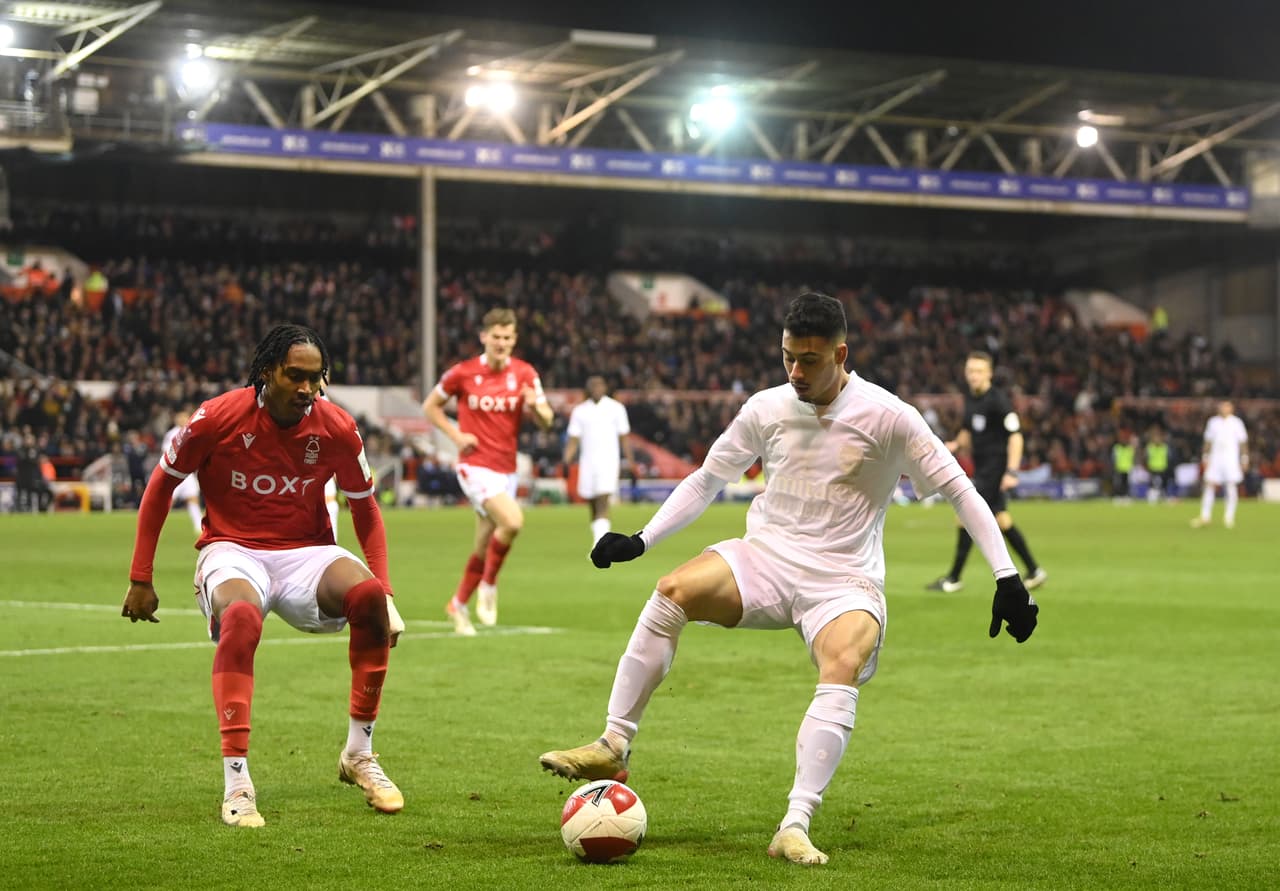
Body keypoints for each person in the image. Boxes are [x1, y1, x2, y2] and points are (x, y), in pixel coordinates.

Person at [538, 293, 1039, 866]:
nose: (795, 372)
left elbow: (960, 490)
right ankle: (613, 743)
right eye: (787, 358)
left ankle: (794, 824)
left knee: (843, 660)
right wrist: (642, 539)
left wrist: (1006, 577)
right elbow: (708, 478)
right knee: (672, 591)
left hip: (843, 579)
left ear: (840, 354)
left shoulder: (889, 416)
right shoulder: (766, 408)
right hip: (766, 559)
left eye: (808, 360)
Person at [121, 324, 406, 828]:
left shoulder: (337, 427)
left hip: (306, 552)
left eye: (314, 379)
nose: (305, 389)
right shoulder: (218, 417)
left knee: (364, 598)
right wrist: (141, 577)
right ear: (266, 371)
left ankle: (359, 754)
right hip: (232, 550)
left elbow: (365, 510)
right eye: (294, 376)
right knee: (242, 619)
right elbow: (161, 486)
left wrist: (384, 589)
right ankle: (237, 783)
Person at [423, 307, 554, 636]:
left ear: (514, 340)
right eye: (496, 336)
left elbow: (548, 420)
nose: (501, 342)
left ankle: (458, 604)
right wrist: (455, 435)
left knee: (483, 546)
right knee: (512, 521)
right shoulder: (463, 373)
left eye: (507, 337)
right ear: (484, 337)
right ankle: (490, 585)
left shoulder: (525, 373)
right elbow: (430, 406)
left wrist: (536, 406)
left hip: (506, 470)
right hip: (474, 465)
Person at [926, 351, 1047, 593]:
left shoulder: (998, 401)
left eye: (979, 371)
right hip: (983, 467)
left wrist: (1012, 471)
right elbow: (968, 430)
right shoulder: (971, 399)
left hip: (994, 470)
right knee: (1002, 520)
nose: (973, 376)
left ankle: (953, 578)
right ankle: (1034, 570)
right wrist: (955, 445)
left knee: (964, 515)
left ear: (989, 373)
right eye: (970, 371)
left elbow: (1015, 436)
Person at [564, 375, 635, 545]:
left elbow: (624, 438)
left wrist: (631, 461)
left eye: (600, 385)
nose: (597, 388)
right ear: (588, 389)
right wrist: (566, 460)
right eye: (593, 385)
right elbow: (573, 439)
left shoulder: (616, 408)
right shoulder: (580, 411)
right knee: (593, 503)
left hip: (609, 462)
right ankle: (599, 539)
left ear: (605, 388)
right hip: (588, 463)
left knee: (603, 500)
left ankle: (600, 544)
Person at [1192, 400, 1248, 529]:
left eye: (1227, 407)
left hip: (1231, 459)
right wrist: (1205, 456)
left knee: (1231, 486)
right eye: (1222, 407)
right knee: (1209, 485)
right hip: (1215, 459)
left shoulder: (1236, 423)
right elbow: (1208, 441)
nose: (1224, 409)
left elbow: (1243, 442)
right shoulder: (1213, 422)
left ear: (1231, 409)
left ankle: (1229, 517)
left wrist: (1244, 458)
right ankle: (1205, 516)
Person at [163, 409, 204, 534]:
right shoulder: (172, 434)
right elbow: (166, 452)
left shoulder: (192, 430)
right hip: (174, 473)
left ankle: (198, 526)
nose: (182, 420)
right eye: (180, 417)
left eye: (185, 417)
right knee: (168, 501)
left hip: (188, 473)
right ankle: (158, 526)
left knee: (193, 498)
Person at [1143, 426, 1171, 503]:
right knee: (1153, 485)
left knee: (1163, 486)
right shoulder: (1149, 447)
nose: (1157, 439)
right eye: (1155, 438)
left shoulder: (1165, 447)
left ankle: (1163, 497)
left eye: (1158, 437)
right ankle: (1152, 498)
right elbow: (1145, 459)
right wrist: (1147, 468)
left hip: (1163, 469)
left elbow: (1169, 459)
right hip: (1152, 469)